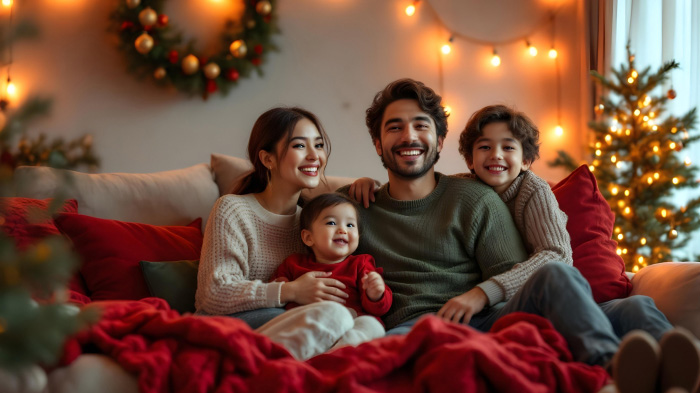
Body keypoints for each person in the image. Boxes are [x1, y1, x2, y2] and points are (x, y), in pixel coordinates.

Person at [339, 78, 663, 370]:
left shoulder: (498, 194)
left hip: (495, 311)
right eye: (394, 127)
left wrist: (480, 295)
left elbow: (553, 258)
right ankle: (619, 370)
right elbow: (304, 216)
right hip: (416, 326)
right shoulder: (352, 208)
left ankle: (647, 367)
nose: (496, 156)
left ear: (439, 142)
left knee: (635, 306)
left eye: (508, 147)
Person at [195, 106, 356, 360]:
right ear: (267, 159)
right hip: (229, 327)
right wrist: (290, 291)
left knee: (368, 326)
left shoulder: (313, 223)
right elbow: (213, 294)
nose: (315, 156)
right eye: (300, 146)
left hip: (297, 323)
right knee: (333, 317)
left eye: (319, 145)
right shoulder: (233, 209)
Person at [271, 192, 391, 348]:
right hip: (313, 331)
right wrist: (281, 284)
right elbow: (276, 294)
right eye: (331, 223)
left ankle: (336, 355)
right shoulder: (293, 264)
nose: (342, 230)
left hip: (351, 330)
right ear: (308, 238)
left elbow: (380, 309)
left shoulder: (361, 263)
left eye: (350, 225)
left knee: (373, 326)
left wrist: (375, 294)